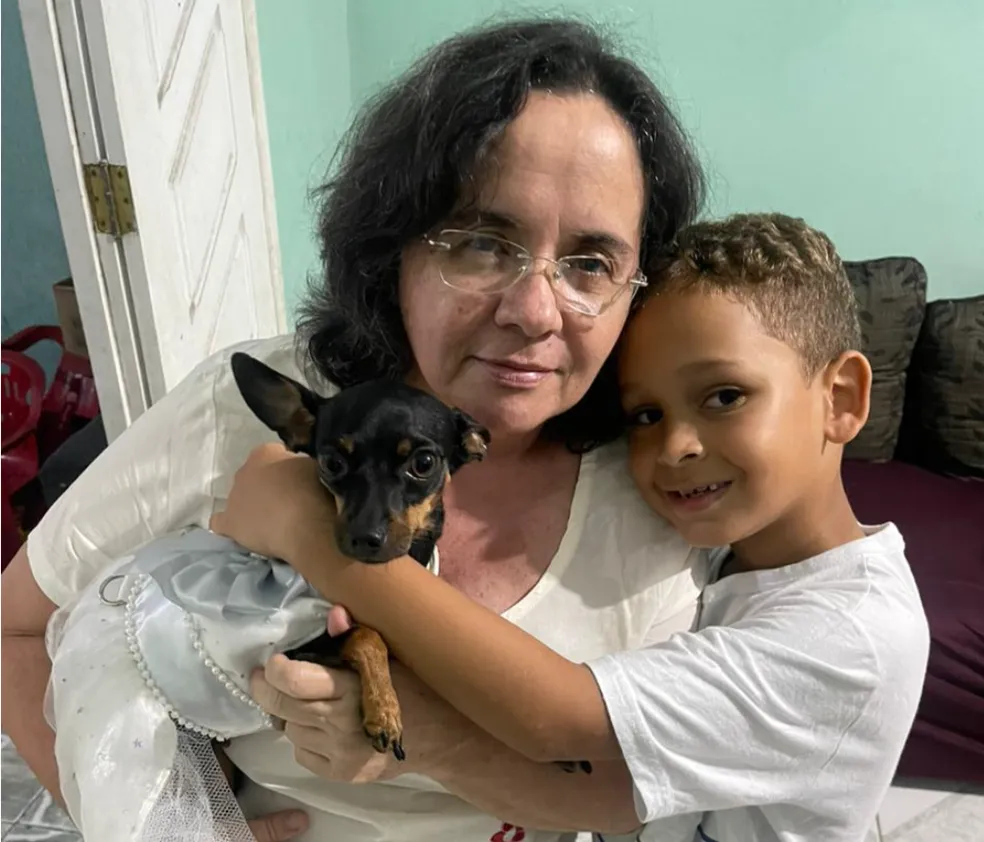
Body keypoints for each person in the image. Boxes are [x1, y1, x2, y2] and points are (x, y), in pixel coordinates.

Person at [0, 17, 707, 842]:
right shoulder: (239, 411)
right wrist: (174, 830)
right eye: (482, 243)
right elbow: (16, 631)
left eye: (589, 264)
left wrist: (431, 740)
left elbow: (634, 793)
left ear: (639, 286)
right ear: (391, 251)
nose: (534, 311)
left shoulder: (663, 483)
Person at [211, 214, 931, 841]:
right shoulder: (726, 559)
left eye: (725, 396)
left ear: (841, 398)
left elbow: (561, 721)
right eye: (645, 415)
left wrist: (308, 532)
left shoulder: (854, 639)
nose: (676, 446)